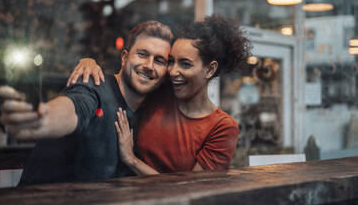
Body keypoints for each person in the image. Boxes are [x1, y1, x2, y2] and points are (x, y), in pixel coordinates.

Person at [68, 15, 252, 174]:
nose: (172, 71)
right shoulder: (163, 89)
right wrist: (88, 61)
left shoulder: (221, 127)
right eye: (171, 61)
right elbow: (127, 75)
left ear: (210, 69)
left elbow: (193, 190)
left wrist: (132, 160)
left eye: (185, 64)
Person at [0, 20, 173, 185]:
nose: (149, 65)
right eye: (142, 54)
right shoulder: (95, 85)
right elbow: (74, 107)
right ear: (124, 58)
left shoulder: (149, 112)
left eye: (159, 60)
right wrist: (41, 120)